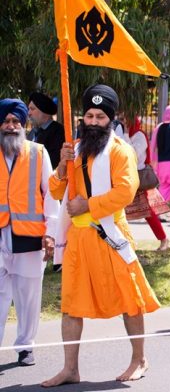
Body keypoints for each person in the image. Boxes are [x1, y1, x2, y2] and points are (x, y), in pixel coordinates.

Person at [42, 84, 160, 387]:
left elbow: (125, 191)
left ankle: (139, 359)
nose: (93, 121)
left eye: (100, 117)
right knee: (70, 305)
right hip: (78, 240)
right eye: (90, 116)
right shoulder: (76, 149)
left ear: (112, 119)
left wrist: (88, 204)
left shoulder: (120, 150)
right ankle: (70, 368)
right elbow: (56, 190)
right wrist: (61, 163)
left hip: (110, 236)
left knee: (130, 300)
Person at [0, 99, 59, 367]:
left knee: (28, 293)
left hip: (30, 236)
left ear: (23, 124)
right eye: (6, 121)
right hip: (1, 234)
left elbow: (51, 196)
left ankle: (26, 346)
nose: (10, 126)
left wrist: (52, 232)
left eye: (16, 122)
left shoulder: (38, 153)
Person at [124, 116, 170, 251]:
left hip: (139, 180)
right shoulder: (120, 132)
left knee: (149, 213)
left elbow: (131, 154)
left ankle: (164, 239)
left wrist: (126, 134)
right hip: (126, 178)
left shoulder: (139, 136)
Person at [27, 92, 65, 169]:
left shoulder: (58, 131)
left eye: (32, 109)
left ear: (44, 111)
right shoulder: (33, 132)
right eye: (29, 109)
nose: (29, 113)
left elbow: (54, 163)